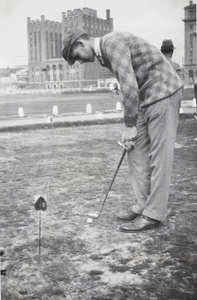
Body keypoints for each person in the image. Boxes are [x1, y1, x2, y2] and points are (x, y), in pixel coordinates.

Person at [62, 28, 183, 232]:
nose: (81, 62)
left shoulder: (111, 43)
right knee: (134, 149)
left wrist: (129, 125)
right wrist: (129, 128)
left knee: (159, 156)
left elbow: (128, 86)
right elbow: (131, 85)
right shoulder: (103, 54)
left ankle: (154, 214)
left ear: (79, 44)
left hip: (164, 92)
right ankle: (142, 204)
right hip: (147, 97)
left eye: (77, 57)